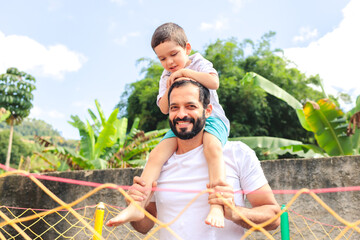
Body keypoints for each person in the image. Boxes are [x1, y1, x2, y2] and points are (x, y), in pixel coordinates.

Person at [107, 79, 281, 239]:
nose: (181, 114)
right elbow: (144, 225)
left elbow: (273, 217)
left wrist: (234, 213)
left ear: (207, 111)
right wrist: (134, 203)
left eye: (190, 106)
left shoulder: (237, 153)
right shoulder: (158, 161)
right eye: (174, 108)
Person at [106, 22, 230, 228]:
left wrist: (186, 74)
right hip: (182, 126)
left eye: (174, 54)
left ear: (187, 49)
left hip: (212, 119)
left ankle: (217, 204)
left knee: (213, 148)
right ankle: (137, 204)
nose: (170, 62)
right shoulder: (165, 76)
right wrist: (171, 84)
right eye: (162, 58)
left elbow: (214, 82)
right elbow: (164, 108)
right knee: (156, 155)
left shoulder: (197, 62)